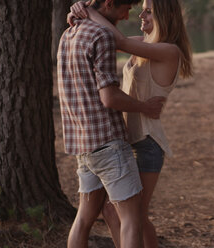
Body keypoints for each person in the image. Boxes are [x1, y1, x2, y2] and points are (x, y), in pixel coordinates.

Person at [68, 0, 193, 247]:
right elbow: (106, 38)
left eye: (149, 10)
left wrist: (90, 11)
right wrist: (79, 12)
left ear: (164, 16)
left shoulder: (169, 51)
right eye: (143, 8)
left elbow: (120, 41)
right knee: (121, 214)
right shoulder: (145, 45)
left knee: (132, 215)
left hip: (147, 142)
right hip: (125, 140)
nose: (141, 13)